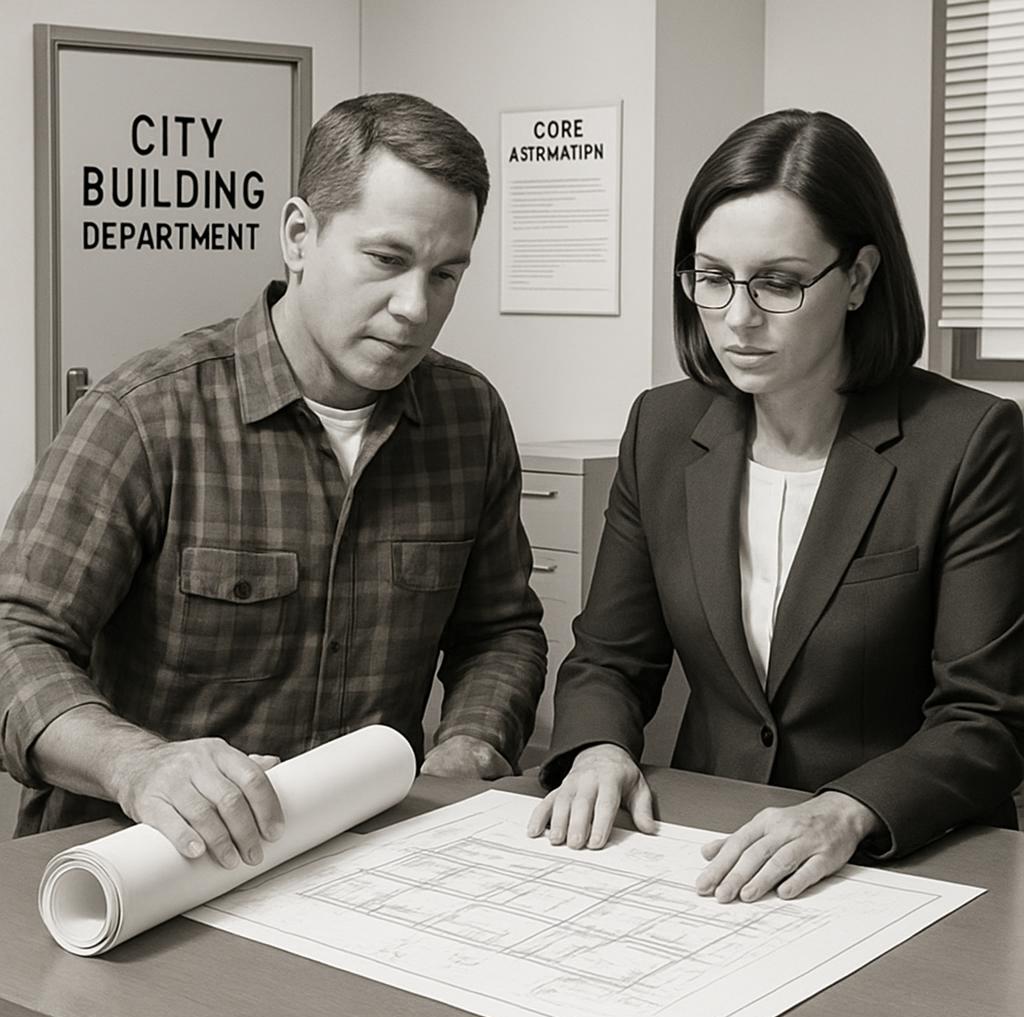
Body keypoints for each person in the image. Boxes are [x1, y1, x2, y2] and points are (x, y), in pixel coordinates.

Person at [0, 92, 546, 868]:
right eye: (387, 261)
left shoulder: (470, 418)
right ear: (299, 235)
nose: (414, 308)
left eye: (446, 274)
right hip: (144, 865)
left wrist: (469, 743)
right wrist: (138, 764)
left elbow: (499, 630)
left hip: (360, 863)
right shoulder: (146, 415)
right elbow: (14, 635)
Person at [528, 108, 1024, 902]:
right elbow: (610, 656)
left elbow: (986, 717)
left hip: (901, 859)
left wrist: (849, 810)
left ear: (859, 278)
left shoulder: (967, 441)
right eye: (712, 277)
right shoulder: (662, 427)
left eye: (779, 283)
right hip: (704, 842)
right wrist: (597, 748)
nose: (736, 317)